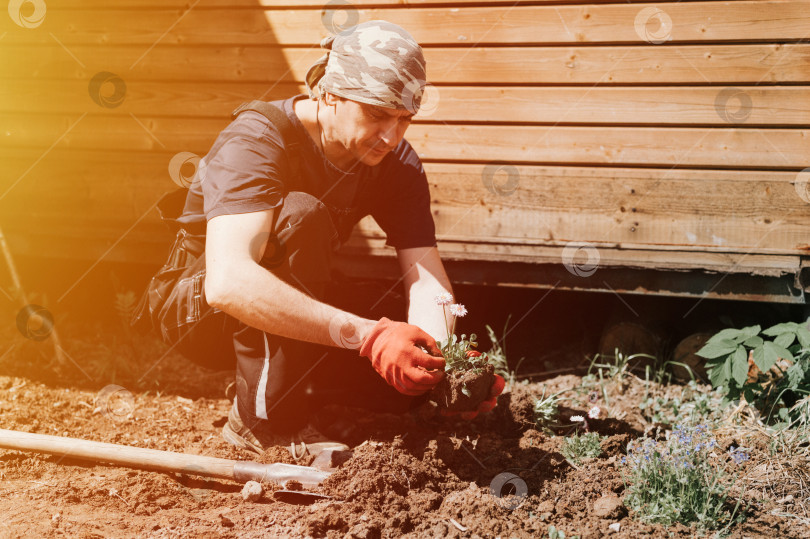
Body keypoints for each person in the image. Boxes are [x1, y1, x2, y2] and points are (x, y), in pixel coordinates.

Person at [137, 20, 503, 459]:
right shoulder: (257, 138)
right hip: (196, 313)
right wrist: (369, 337)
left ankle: (305, 395)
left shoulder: (396, 164)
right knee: (301, 217)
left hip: (279, 298)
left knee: (402, 363)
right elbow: (228, 281)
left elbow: (426, 280)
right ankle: (266, 424)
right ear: (330, 94)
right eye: (377, 113)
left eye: (405, 118)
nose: (392, 136)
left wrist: (440, 363)